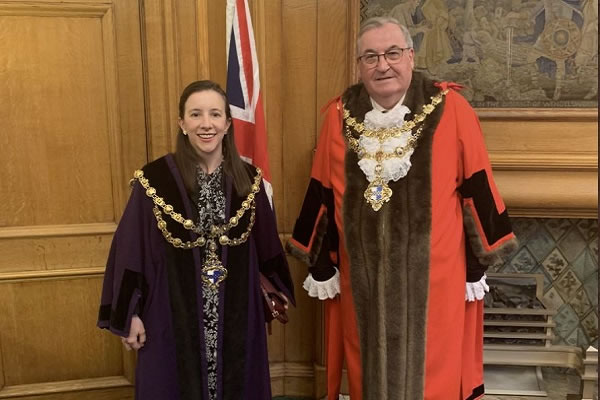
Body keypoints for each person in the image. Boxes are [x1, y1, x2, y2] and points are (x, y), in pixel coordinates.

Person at [287, 17, 517, 400]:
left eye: (392, 53)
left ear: (411, 56)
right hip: (362, 278)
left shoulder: (451, 109)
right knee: (366, 370)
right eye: (371, 56)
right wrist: (320, 262)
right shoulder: (338, 116)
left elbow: (477, 185)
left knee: (434, 376)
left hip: (436, 279)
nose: (383, 65)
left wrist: (476, 266)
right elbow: (322, 190)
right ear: (360, 65)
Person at [97, 80, 294, 400]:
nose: (206, 123)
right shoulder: (154, 182)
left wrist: (275, 291)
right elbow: (131, 250)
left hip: (237, 318)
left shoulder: (249, 181)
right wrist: (130, 313)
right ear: (182, 123)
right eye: (196, 114)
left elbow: (267, 247)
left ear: (228, 124)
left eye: (215, 114)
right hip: (170, 318)